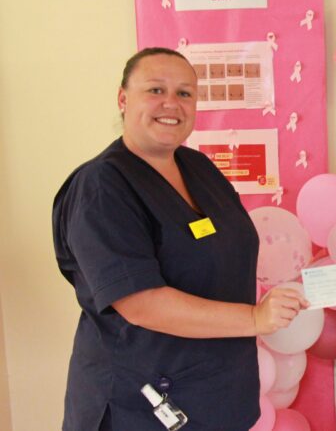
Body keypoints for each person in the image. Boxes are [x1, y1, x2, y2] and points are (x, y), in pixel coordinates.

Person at [52, 47, 309, 431]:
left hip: (217, 393)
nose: (171, 103)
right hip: (143, 403)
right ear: (123, 99)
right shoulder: (102, 186)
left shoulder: (199, 167)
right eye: (155, 90)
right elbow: (139, 303)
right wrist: (255, 317)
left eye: (185, 93)